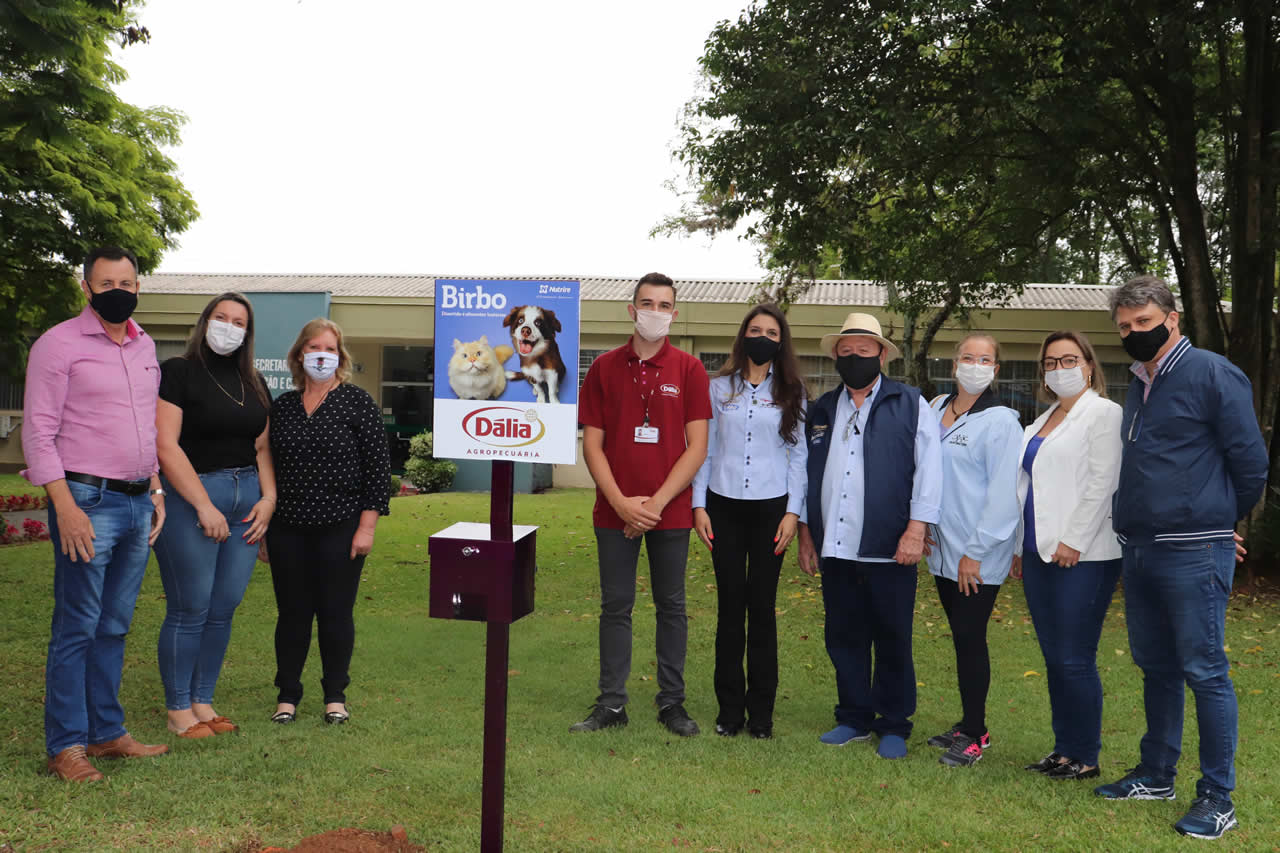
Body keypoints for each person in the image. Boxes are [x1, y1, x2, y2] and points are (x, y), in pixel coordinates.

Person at [1094, 275, 1268, 840]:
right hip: (1140, 550)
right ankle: (1156, 774)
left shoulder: (1213, 373)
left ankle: (1218, 797)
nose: (1134, 334)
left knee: (1205, 671)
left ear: (1172, 318)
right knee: (1156, 668)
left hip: (1195, 551)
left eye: (1143, 322)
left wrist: (1219, 521)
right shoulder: (1137, 382)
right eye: (1124, 327)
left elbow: (1250, 464)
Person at [21, 246, 169, 781]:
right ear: (87, 288)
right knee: (77, 626)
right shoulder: (58, 345)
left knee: (114, 625)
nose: (118, 292)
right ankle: (66, 745)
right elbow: (36, 434)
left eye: (126, 282)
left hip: (135, 501)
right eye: (106, 283)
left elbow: (144, 426)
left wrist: (155, 488)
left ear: (138, 286)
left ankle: (106, 733)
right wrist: (65, 509)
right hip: (86, 501)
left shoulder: (145, 345)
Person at [796, 312, 942, 760]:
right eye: (847, 351)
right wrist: (806, 535)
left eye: (864, 350)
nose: (855, 357)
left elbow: (930, 470)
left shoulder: (910, 401)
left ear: (881, 354)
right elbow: (805, 474)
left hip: (889, 545)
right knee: (844, 635)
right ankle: (853, 717)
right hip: (836, 546)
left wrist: (916, 530)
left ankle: (893, 723)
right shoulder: (822, 408)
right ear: (836, 356)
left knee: (892, 635)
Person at [571, 272, 711, 736]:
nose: (655, 311)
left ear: (674, 312)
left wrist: (651, 505)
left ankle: (672, 703)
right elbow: (593, 445)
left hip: (668, 512)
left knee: (672, 606)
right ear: (632, 311)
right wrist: (621, 505)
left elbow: (697, 447)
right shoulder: (604, 368)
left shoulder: (689, 370)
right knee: (616, 606)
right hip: (614, 512)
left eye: (664, 304)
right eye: (647, 303)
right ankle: (611, 703)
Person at [153, 293, 277, 738]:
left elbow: (262, 449)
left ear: (247, 332)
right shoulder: (178, 372)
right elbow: (165, 445)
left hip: (248, 501)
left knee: (223, 608)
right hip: (194, 497)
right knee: (191, 607)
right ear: (205, 322)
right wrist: (204, 504)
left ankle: (203, 700)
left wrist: (268, 500)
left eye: (238, 321)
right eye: (220, 317)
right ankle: (178, 710)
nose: (228, 326)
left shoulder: (254, 381)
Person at [265, 318, 391, 725]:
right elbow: (265, 462)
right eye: (314, 347)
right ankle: (287, 696)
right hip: (287, 527)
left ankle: (335, 696)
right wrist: (266, 524)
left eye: (331, 348)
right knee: (292, 614)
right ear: (300, 354)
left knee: (335, 613)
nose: (323, 354)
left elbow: (377, 470)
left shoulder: (357, 403)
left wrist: (367, 527)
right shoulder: (281, 407)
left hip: (341, 525)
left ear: (340, 356)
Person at [691, 303, 807, 739]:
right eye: (755, 330)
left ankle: (761, 716)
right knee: (729, 609)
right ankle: (729, 712)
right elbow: (706, 448)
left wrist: (794, 512)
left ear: (782, 342)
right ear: (743, 337)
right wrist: (698, 506)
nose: (763, 337)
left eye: (772, 332)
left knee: (761, 611)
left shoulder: (793, 391)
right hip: (722, 507)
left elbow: (799, 456)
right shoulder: (717, 388)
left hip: (770, 511)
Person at [1017, 330, 1123, 781]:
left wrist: (1074, 539)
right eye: (1051, 362)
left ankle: (1086, 755)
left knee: (1074, 656)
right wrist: (1020, 547)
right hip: (1038, 552)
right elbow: (1028, 487)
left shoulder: (1104, 413)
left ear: (1089, 364)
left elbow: (1104, 482)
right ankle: (1063, 749)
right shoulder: (1041, 420)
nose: (1060, 369)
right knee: (1054, 656)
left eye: (1069, 359)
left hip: (1085, 555)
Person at [921, 333, 1021, 768]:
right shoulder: (936, 406)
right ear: (954, 362)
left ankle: (977, 735)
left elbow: (1005, 494)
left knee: (970, 637)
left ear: (995, 370)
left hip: (976, 552)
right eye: (967, 356)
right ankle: (966, 725)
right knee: (961, 638)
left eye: (985, 359)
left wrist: (974, 552)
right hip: (941, 548)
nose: (975, 364)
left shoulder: (1001, 422)